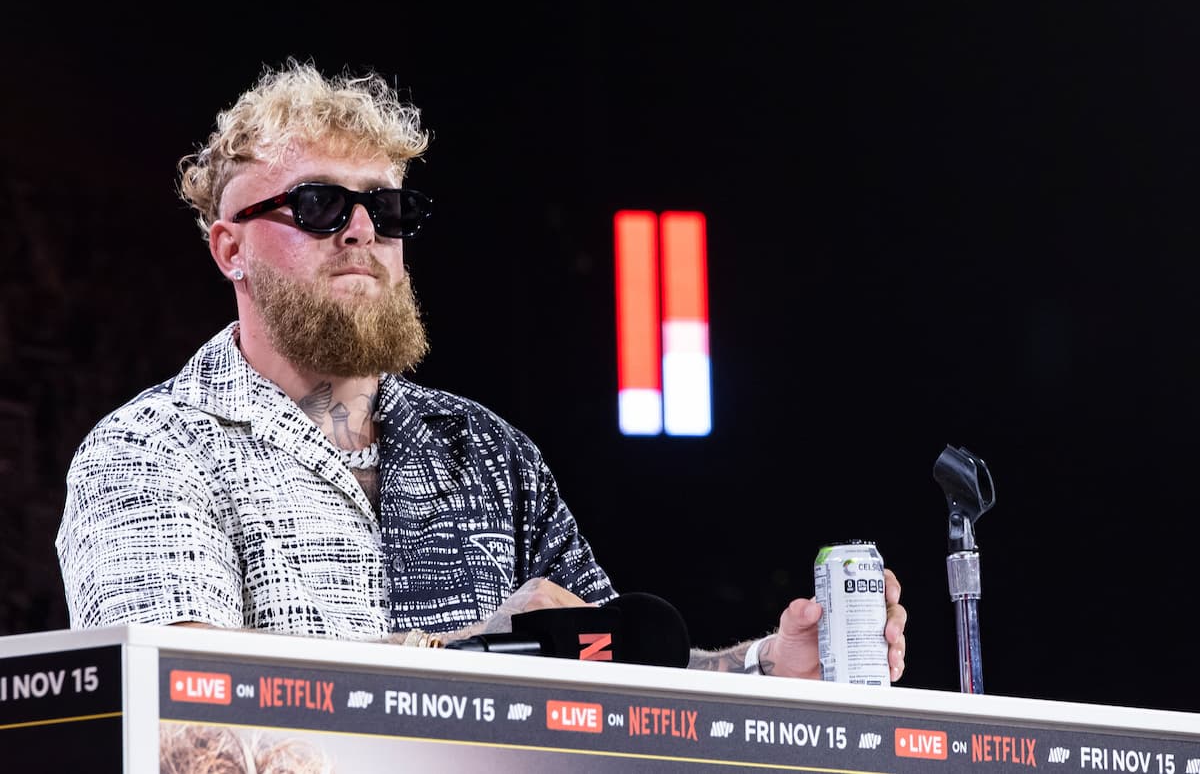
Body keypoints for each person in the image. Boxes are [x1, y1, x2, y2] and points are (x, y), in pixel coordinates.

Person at [55, 58, 907, 680]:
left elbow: (616, 672)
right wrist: (478, 654)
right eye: (319, 205)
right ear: (229, 247)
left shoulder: (490, 450)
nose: (361, 231)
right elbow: (186, 701)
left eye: (386, 209)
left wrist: (763, 664)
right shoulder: (149, 452)